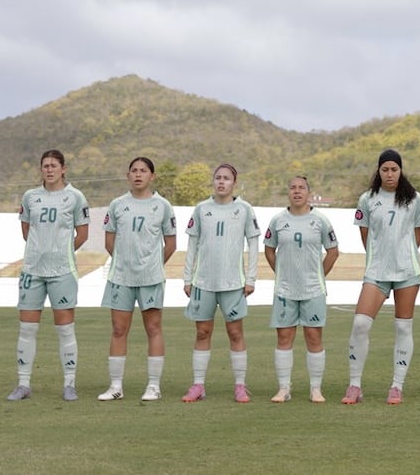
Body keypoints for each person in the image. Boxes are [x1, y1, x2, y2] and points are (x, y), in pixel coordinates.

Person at [341, 148, 420, 405]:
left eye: (394, 169)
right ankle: (355, 385)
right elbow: (366, 234)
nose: (390, 174)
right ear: (378, 171)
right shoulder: (367, 199)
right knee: (360, 324)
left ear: (401, 171)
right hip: (377, 272)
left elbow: (417, 234)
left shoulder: (414, 199)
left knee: (403, 326)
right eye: (385, 169)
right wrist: (380, 257)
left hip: (407, 272)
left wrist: (402, 255)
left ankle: (396, 386)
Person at [8, 149, 91, 401]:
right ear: (41, 169)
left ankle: (69, 384)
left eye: (54, 165)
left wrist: (61, 252)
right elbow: (26, 231)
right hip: (32, 270)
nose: (50, 169)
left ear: (63, 168)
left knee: (65, 329)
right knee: (27, 328)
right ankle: (23, 384)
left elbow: (83, 234)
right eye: (45, 165)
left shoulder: (75, 197)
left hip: (62, 272)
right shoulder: (30, 196)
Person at [97, 157, 177, 402]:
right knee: (119, 330)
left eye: (144, 171)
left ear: (152, 176)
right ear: (128, 175)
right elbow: (109, 241)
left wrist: (150, 264)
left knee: (153, 328)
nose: (138, 174)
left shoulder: (162, 206)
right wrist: (125, 262)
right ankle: (116, 386)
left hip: (151, 278)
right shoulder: (117, 205)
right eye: (134, 170)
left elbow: (171, 244)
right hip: (120, 277)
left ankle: (153, 385)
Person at [181, 163, 261, 403]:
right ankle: (198, 385)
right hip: (203, 282)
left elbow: (254, 243)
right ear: (213, 181)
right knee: (202, 331)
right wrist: (188, 278)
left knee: (235, 333)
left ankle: (239, 385)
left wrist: (251, 278)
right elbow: (192, 244)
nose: (221, 182)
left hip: (233, 283)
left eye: (226, 178)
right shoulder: (201, 209)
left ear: (234, 183)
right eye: (218, 178)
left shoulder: (244, 209)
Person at [264, 175, 340, 404]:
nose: (297, 191)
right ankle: (283, 388)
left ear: (309, 192)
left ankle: (315, 389)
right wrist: (282, 273)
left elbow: (333, 251)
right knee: (284, 336)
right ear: (288, 192)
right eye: (293, 188)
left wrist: (318, 275)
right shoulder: (278, 220)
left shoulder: (320, 220)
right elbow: (269, 249)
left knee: (314, 336)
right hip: (285, 290)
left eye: (301, 188)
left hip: (313, 289)